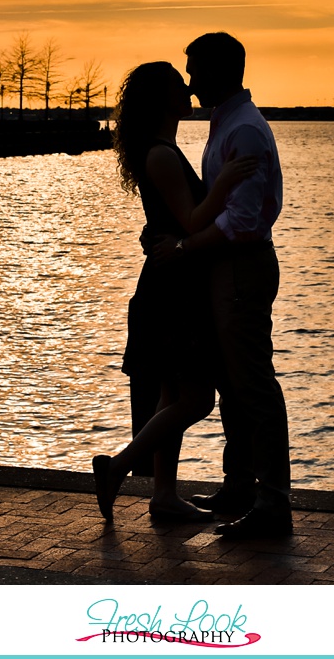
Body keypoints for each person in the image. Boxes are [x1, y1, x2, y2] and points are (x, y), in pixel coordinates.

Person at [92, 61, 256, 523]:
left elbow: (171, 221)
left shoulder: (161, 149)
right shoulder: (161, 154)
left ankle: (164, 494)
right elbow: (191, 220)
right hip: (173, 291)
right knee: (196, 398)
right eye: (177, 84)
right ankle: (118, 467)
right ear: (162, 98)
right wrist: (225, 181)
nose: (188, 87)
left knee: (170, 395)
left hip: (170, 282)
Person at [180, 31, 293, 540]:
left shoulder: (243, 131)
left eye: (195, 69)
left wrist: (185, 249)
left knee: (252, 384)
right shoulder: (229, 123)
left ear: (218, 72)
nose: (189, 79)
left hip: (241, 264)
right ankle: (240, 485)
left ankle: (272, 501)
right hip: (230, 265)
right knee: (232, 384)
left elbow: (243, 221)